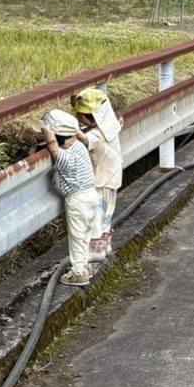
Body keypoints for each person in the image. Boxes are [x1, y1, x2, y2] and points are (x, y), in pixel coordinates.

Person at [41, 108, 100, 287]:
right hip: (92, 195)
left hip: (77, 200)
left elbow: (52, 146)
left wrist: (47, 132)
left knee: (76, 236)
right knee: (85, 235)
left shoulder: (65, 157)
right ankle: (86, 265)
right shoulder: (79, 147)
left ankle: (78, 273)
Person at [71, 86, 123, 259]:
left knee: (96, 216)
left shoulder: (96, 134)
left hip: (102, 179)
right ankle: (105, 246)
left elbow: (85, 140)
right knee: (107, 213)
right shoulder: (111, 125)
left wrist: (71, 129)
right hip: (112, 176)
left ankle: (96, 251)